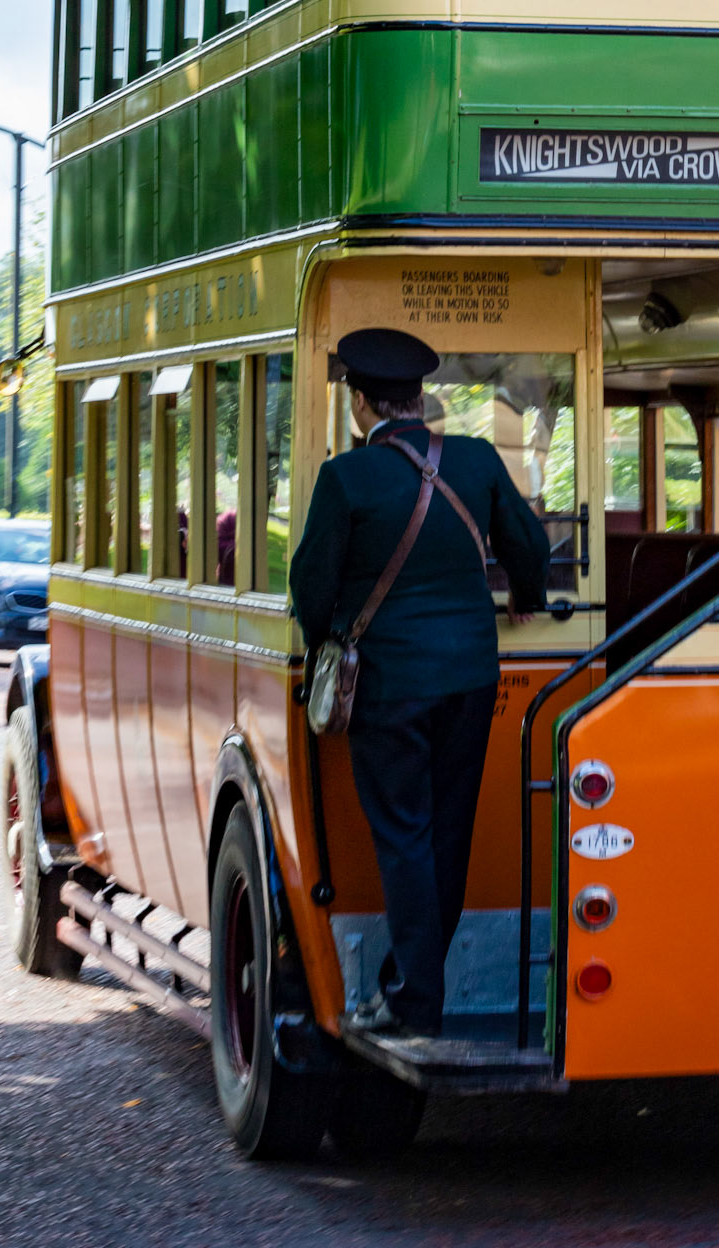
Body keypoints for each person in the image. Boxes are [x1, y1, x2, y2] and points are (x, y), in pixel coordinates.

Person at [290, 328, 549, 1039]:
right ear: (419, 399)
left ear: (360, 405)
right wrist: (525, 592)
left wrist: (323, 644)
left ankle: (413, 1001)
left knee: (403, 836)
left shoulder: (345, 479)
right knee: (448, 833)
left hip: (389, 682)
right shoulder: (474, 459)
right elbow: (529, 545)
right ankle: (412, 988)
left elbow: (311, 586)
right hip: (471, 676)